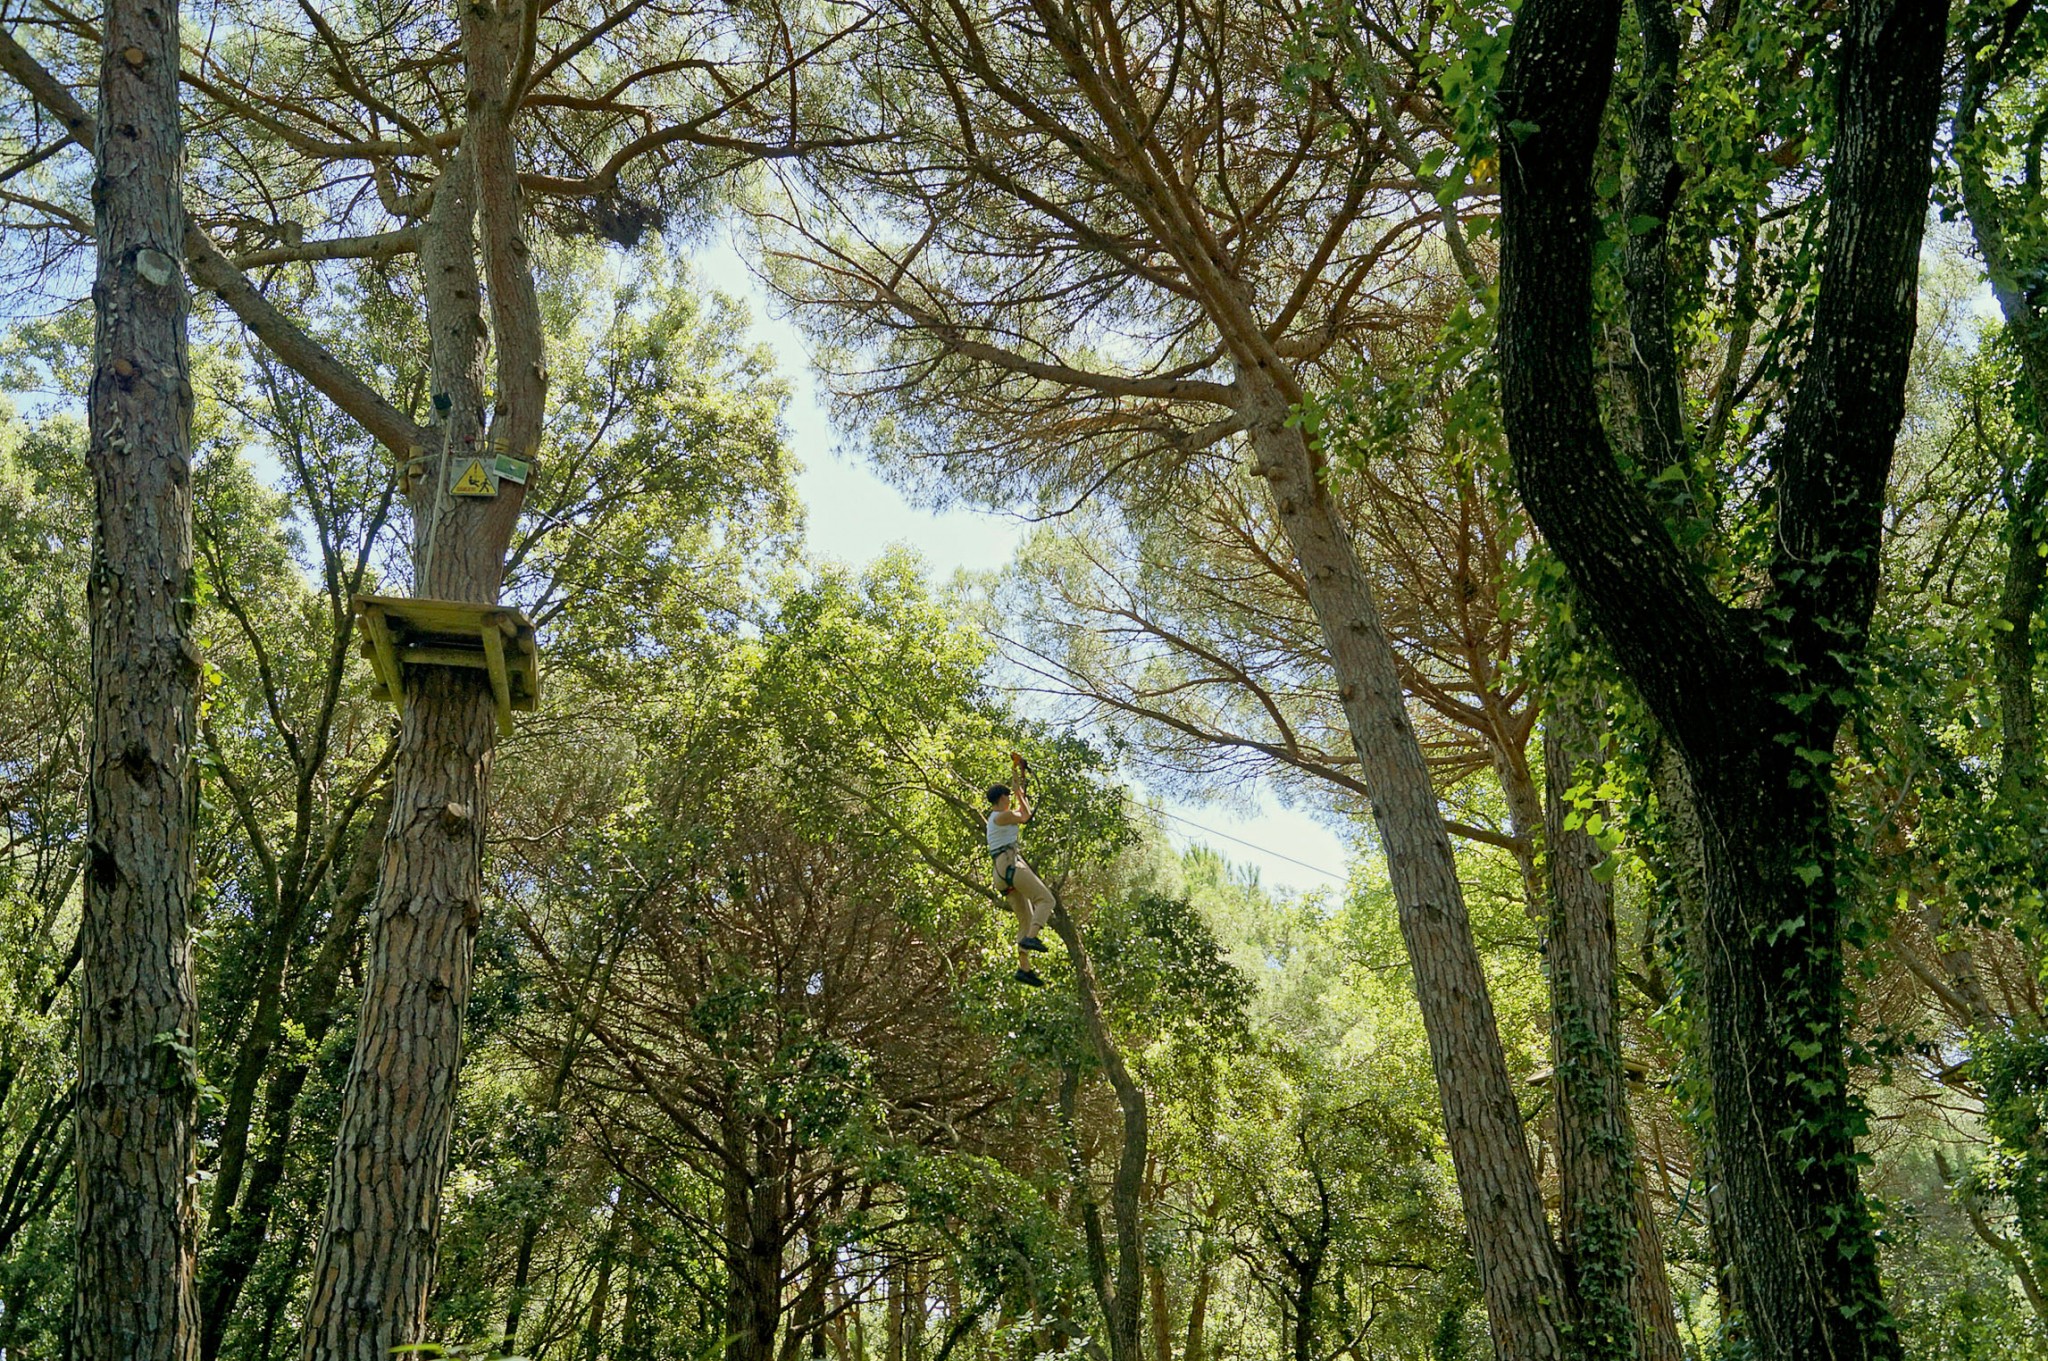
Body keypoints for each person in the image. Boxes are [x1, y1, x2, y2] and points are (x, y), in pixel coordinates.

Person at [987, 756, 1055, 987]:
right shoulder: (1000, 816)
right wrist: (1018, 791)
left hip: (1000, 873)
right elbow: (1025, 815)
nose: (1010, 800)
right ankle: (1031, 939)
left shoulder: (997, 818)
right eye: (1008, 796)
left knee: (1025, 920)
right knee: (1046, 900)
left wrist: (1019, 784)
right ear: (1002, 798)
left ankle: (1024, 968)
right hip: (1010, 865)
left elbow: (1021, 811)